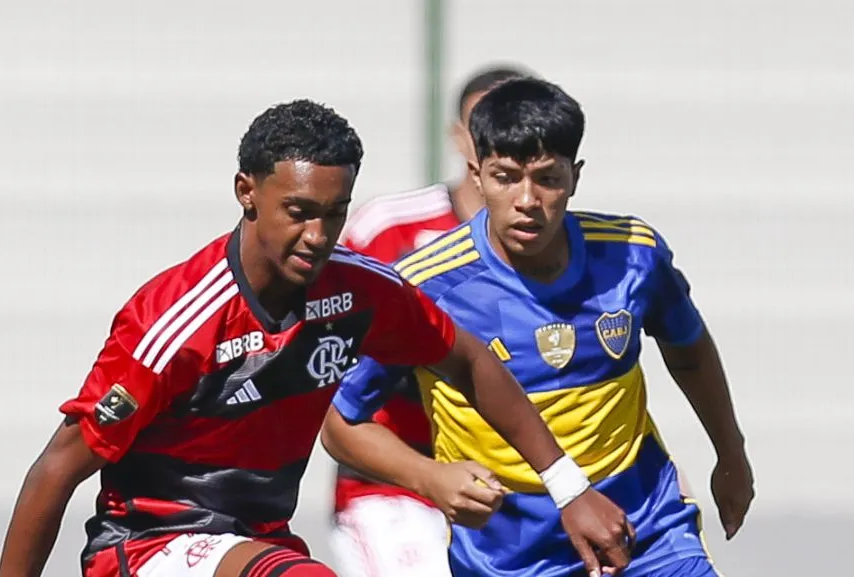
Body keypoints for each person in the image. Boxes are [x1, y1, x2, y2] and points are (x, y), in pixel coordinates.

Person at [0, 98, 636, 577]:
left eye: (335, 214)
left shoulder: (359, 292)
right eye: (299, 212)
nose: (318, 235)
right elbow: (56, 469)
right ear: (247, 193)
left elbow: (469, 361)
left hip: (262, 539)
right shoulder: (177, 319)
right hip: (151, 543)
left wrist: (569, 488)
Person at [322, 78, 756, 577]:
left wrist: (731, 453)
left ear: (576, 176)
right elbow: (340, 424)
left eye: (547, 178)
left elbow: (690, 351)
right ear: (476, 175)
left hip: (645, 530)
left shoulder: (633, 254)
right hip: (509, 557)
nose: (527, 199)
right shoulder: (424, 287)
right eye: (506, 177)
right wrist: (429, 478)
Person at [331, 64, 530, 577]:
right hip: (394, 488)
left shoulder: (555, 247)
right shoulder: (388, 230)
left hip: (516, 489)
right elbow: (331, 365)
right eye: (487, 125)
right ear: (460, 138)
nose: (501, 141)